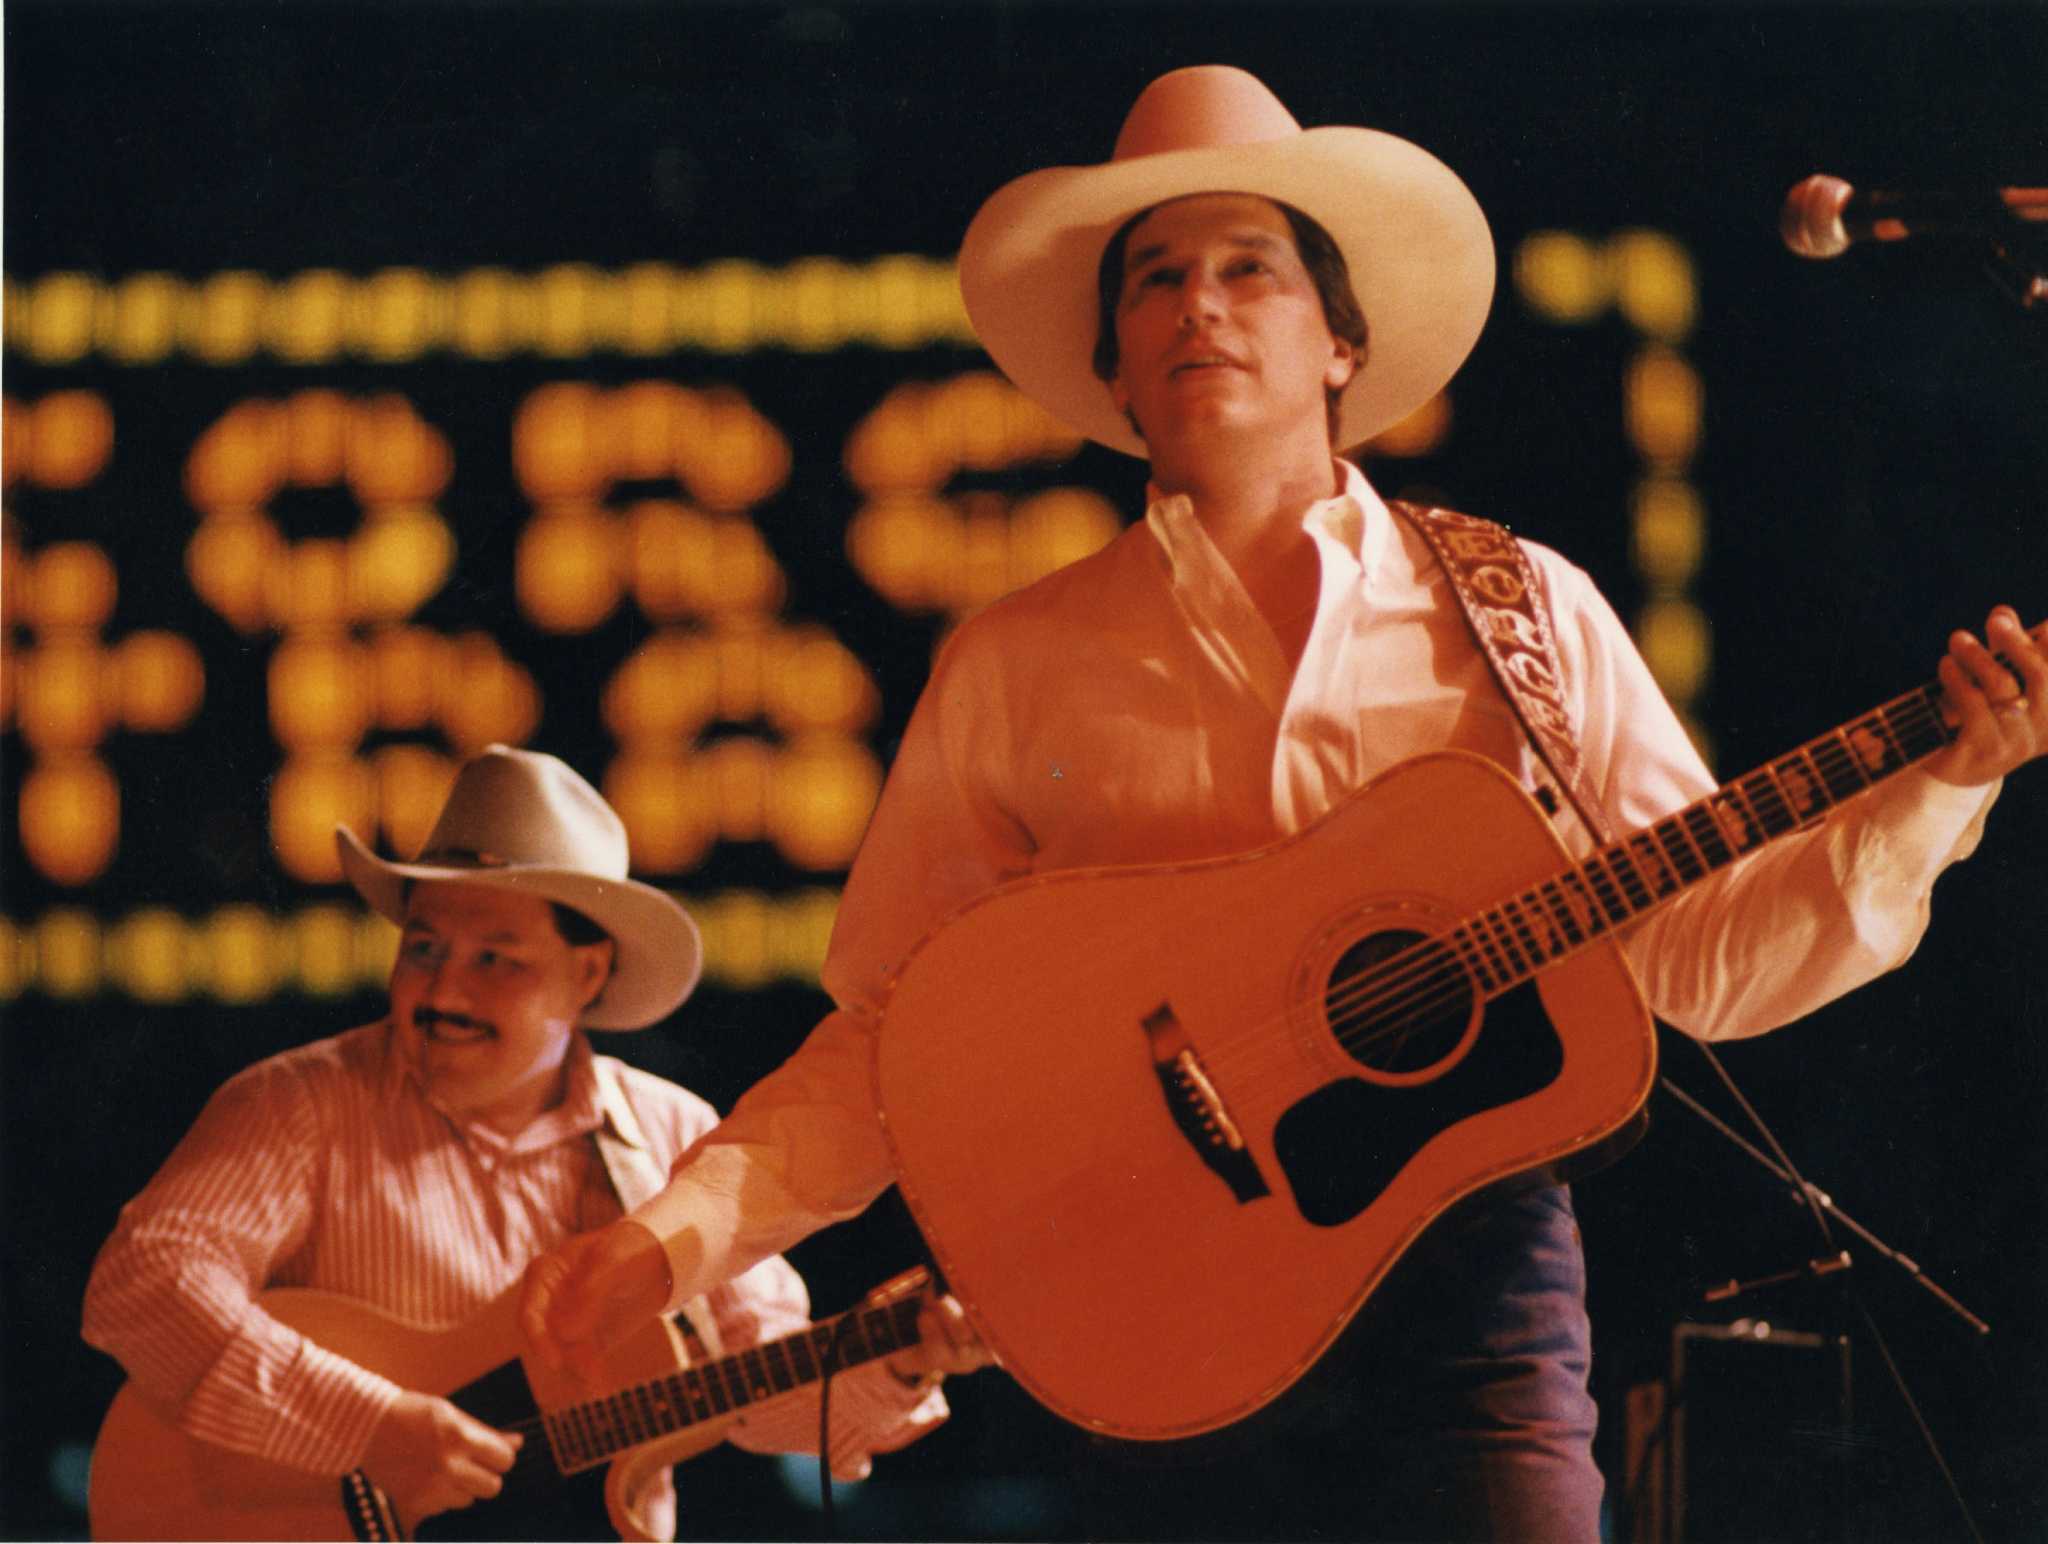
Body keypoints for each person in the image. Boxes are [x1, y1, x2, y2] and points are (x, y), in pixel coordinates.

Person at [517, 67, 2047, 1539]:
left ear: (1338, 344)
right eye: (1155, 278)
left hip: (1474, 1297)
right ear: (1114, 370)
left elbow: (1701, 955)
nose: (1200, 303)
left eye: (1251, 268)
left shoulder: (1520, 610)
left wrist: (1937, 789)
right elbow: (893, 1044)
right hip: (1156, 1307)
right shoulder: (1017, 662)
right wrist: (668, 1245)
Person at [82, 745, 973, 1541]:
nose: (443, 989)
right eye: (424, 948)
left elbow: (763, 1392)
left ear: (588, 973)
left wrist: (895, 1360)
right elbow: (144, 1282)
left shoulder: (671, 1136)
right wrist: (366, 1428)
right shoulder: (299, 1105)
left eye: (494, 958)